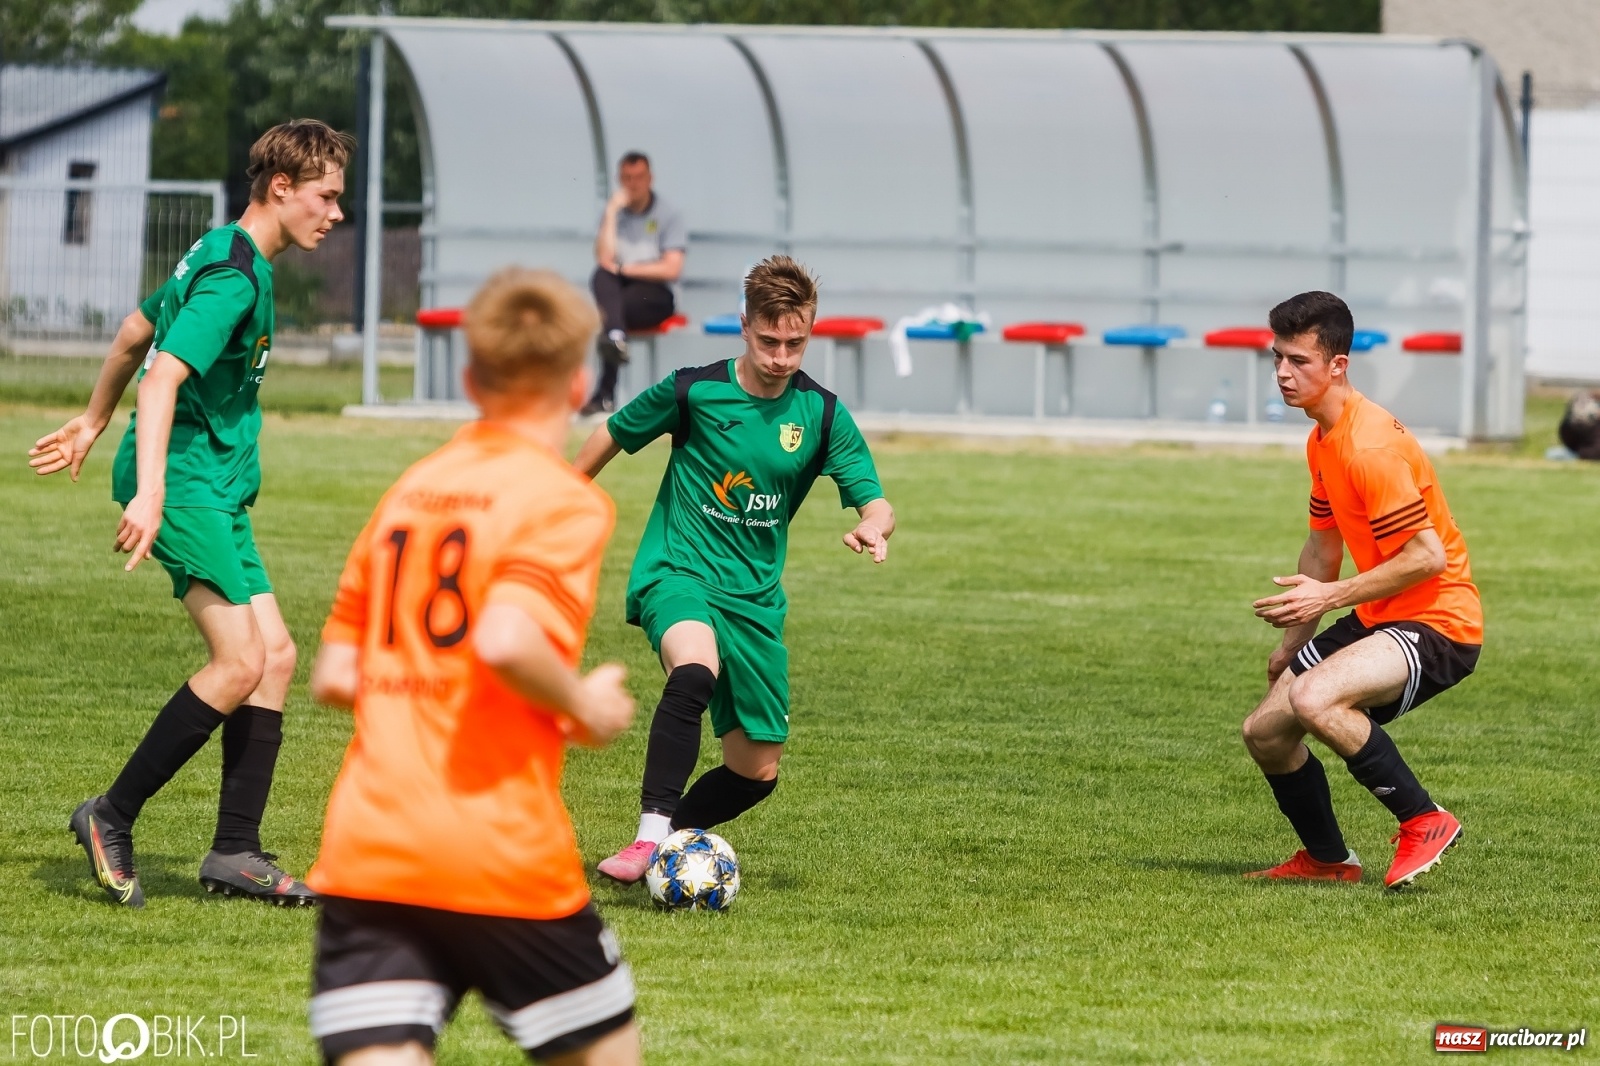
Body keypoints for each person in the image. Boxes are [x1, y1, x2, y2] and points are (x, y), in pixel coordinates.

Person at [305, 268, 640, 1065]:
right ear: (581, 381)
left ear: (469, 376)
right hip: (499, 854)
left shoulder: (411, 491)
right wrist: (584, 706)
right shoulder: (562, 499)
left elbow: (333, 675)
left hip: (372, 853)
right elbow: (506, 640)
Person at [29, 119, 352, 908]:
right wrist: (147, 491)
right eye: (328, 196)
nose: (336, 212)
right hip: (187, 487)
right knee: (239, 661)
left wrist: (93, 419)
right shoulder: (236, 276)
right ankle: (111, 814)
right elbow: (163, 375)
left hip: (218, 489)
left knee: (274, 654)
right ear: (282, 187)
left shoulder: (218, 250)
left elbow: (138, 330)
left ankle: (235, 850)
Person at [576, 254, 895, 885]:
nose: (781, 356)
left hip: (754, 601)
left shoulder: (822, 415)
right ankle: (648, 839)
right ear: (745, 327)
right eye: (769, 340)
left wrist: (873, 525)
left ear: (810, 331)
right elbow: (613, 432)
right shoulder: (693, 389)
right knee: (693, 673)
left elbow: (875, 498)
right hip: (679, 571)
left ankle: (666, 846)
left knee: (756, 772)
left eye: (795, 342)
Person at [1241, 291, 1482, 890]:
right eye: (1277, 358)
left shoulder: (1368, 446)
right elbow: (1323, 549)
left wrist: (1328, 600)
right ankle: (1327, 859)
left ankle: (1424, 819)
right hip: (1382, 614)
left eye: (1298, 361)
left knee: (1315, 699)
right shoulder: (1323, 438)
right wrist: (1291, 644)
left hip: (1438, 622)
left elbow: (1427, 558)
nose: (1282, 374)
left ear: (1338, 366)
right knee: (1265, 733)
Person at [581, 151, 687, 416]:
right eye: (627, 178)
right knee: (602, 279)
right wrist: (611, 212)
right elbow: (604, 259)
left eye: (639, 177)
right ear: (620, 179)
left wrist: (626, 269)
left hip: (657, 295)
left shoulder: (669, 214)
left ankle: (605, 391)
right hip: (621, 292)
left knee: (611, 312)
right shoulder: (613, 214)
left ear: (650, 178)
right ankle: (616, 337)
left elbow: (672, 268)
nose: (633, 184)